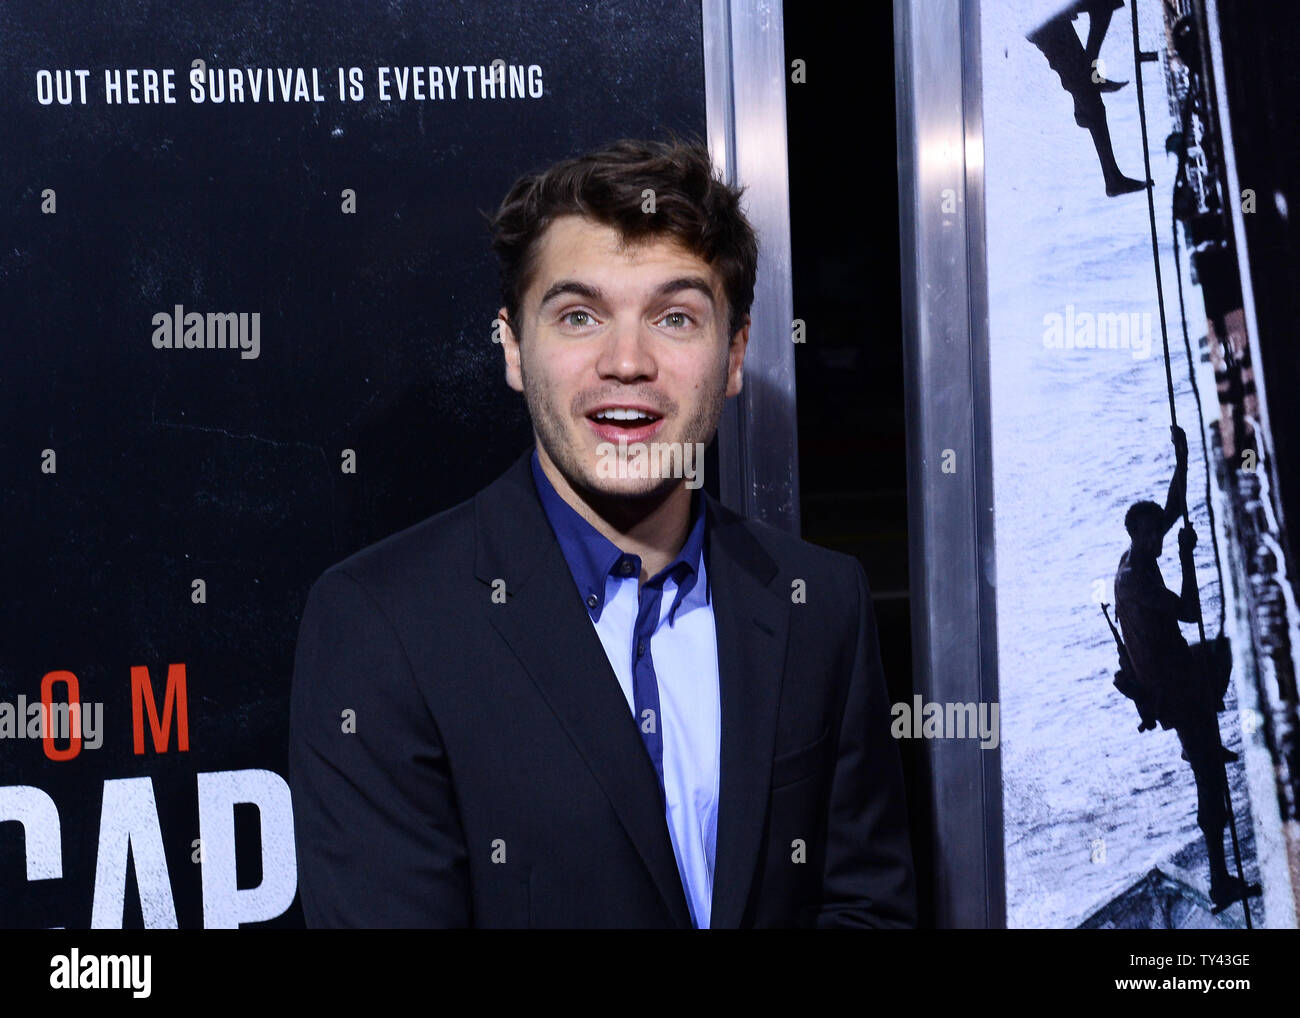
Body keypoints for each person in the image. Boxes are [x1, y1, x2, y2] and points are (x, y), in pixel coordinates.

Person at [288, 137, 917, 928]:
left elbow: (865, 911)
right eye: (580, 316)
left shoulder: (818, 602)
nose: (627, 361)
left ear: (733, 355)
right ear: (515, 348)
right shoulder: (383, 625)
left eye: (676, 317)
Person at [1114, 425, 1255, 910]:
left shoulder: (1136, 553)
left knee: (1223, 651)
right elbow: (1191, 610)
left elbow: (1174, 507)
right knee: (1210, 780)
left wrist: (1183, 459)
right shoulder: (1138, 581)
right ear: (1140, 535)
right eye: (1156, 534)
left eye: (1161, 534)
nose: (1162, 537)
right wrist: (1185, 558)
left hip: (1176, 670)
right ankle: (1220, 880)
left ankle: (1205, 742)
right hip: (1172, 688)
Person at [1026, 0, 1149, 197]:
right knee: (1089, 96)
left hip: (1046, 14)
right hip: (1043, 21)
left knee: (1104, 5)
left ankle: (1088, 77)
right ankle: (1112, 179)